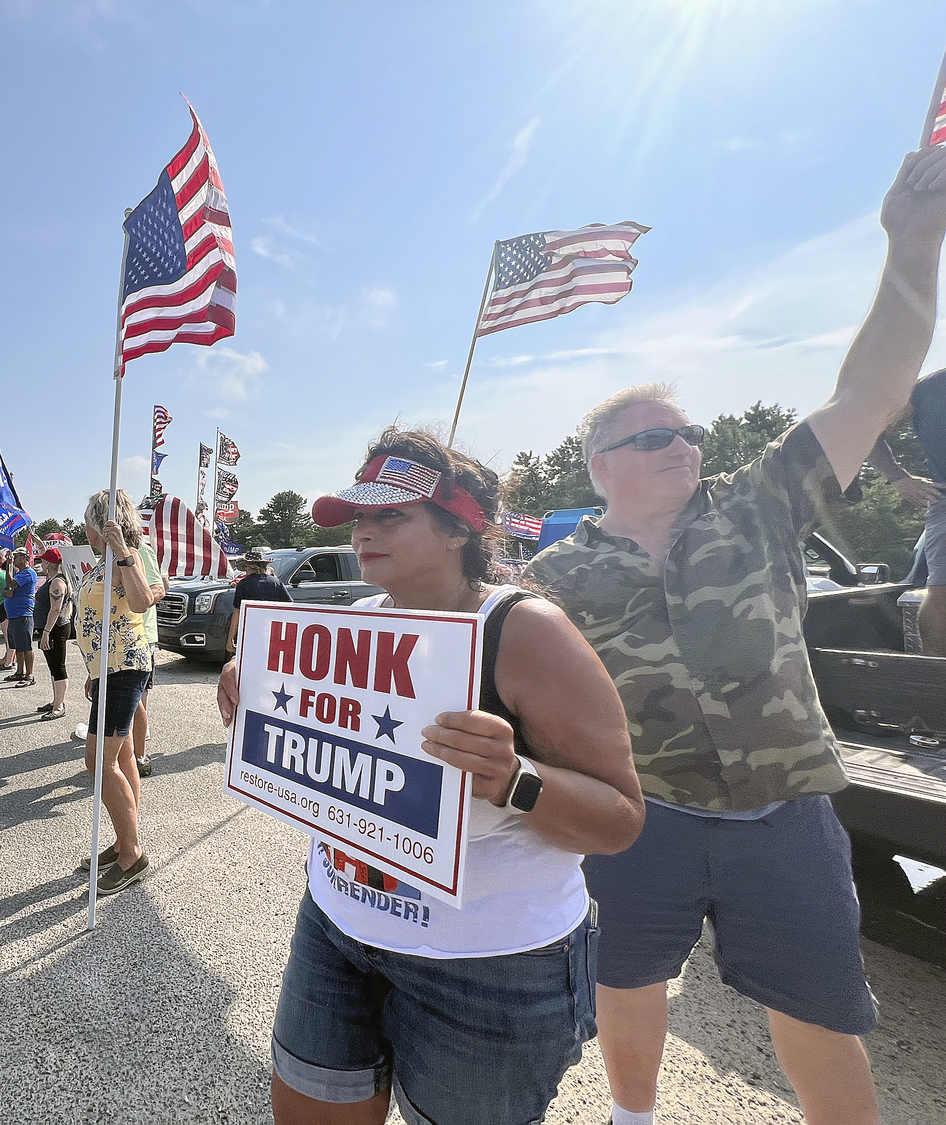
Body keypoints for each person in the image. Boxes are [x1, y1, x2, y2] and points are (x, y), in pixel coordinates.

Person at [522, 146, 946, 1125]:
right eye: (654, 436)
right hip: (644, 816)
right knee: (628, 977)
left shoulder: (756, 505)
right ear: (599, 467)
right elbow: (485, 666)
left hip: (784, 811)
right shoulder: (556, 575)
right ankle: (633, 1118)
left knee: (818, 1003)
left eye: (689, 431)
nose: (686, 443)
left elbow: (869, 394)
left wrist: (912, 247)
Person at [216, 429, 642, 1125]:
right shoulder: (361, 619)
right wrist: (253, 685)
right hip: (335, 921)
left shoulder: (524, 629)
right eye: (359, 517)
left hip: (487, 963)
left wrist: (512, 778)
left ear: (457, 530)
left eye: (391, 515)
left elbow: (622, 816)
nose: (363, 532)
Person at [75, 488, 160, 894]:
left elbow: (143, 600)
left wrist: (123, 549)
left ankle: (132, 854)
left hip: (125, 667)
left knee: (99, 762)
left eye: (88, 522)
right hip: (107, 669)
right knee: (121, 759)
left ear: (100, 523)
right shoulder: (99, 562)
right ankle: (125, 840)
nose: (86, 530)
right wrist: (93, 670)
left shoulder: (129, 556)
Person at [866, 366, 946, 656]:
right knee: (941, 595)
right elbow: (869, 431)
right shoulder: (927, 390)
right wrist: (899, 477)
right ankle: (934, 680)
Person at [130, 534, 167, 778]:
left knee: (137, 695)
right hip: (119, 634)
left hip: (141, 633)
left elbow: (158, 588)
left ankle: (138, 751)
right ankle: (129, 743)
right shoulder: (108, 551)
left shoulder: (141, 549)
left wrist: (140, 601)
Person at [224, 546, 293, 657]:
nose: (245, 570)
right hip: (273, 630)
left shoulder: (244, 584)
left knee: (252, 658)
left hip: (251, 631)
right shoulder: (276, 582)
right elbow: (289, 606)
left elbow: (237, 612)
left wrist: (230, 638)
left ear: (250, 566)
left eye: (245, 567)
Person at [34, 547, 76, 718]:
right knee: (53, 667)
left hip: (55, 629)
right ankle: (56, 700)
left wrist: (45, 632)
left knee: (58, 667)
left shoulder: (57, 582)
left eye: (43, 560)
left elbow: (55, 609)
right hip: (51, 628)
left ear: (49, 563)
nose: (41, 563)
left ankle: (59, 706)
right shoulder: (52, 579)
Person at [3, 547, 38, 685]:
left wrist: (9, 565)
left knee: (26, 646)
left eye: (16, 556)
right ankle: (19, 671)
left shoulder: (28, 573)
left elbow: (10, 584)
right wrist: (7, 591)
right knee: (18, 646)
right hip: (13, 615)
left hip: (23, 614)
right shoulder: (19, 573)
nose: (13, 558)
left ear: (24, 558)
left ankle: (29, 674)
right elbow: (4, 590)